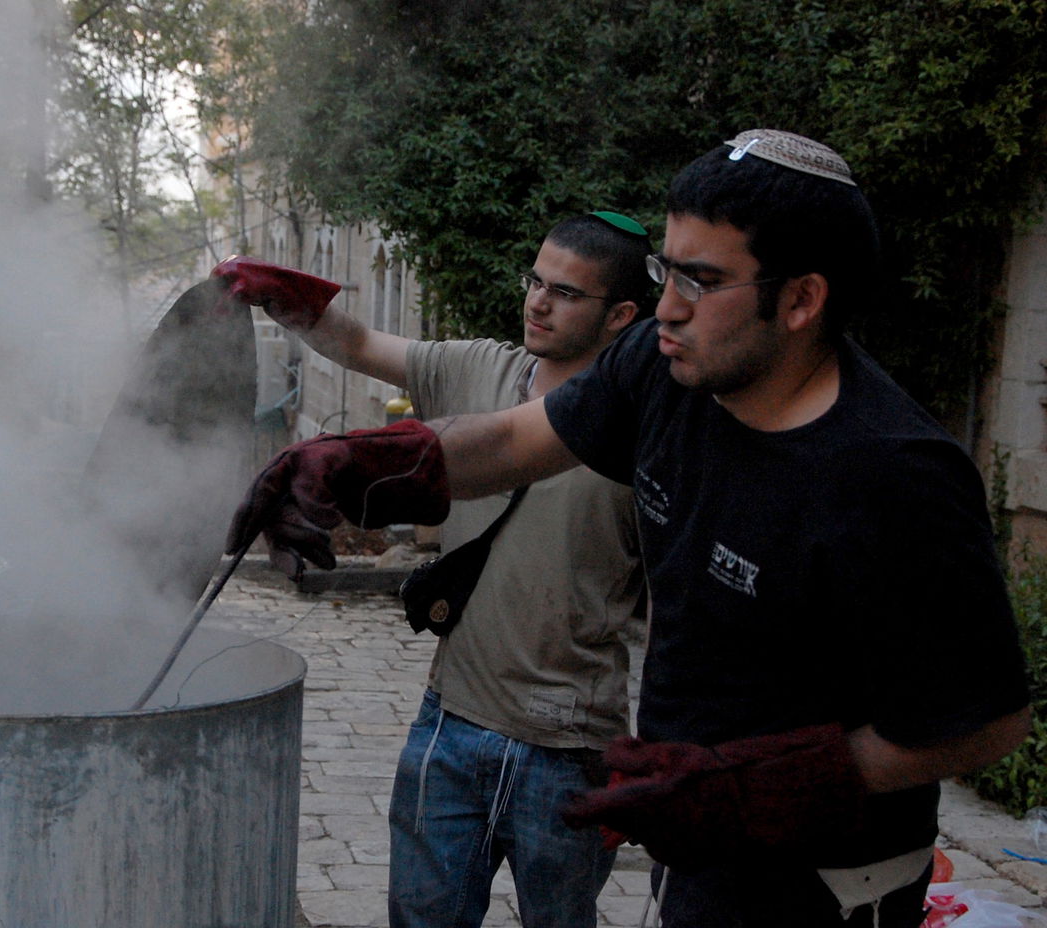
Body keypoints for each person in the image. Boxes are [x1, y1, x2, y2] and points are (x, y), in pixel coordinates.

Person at [223, 130, 1032, 927]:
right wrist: (352, 465)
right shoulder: (661, 368)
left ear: (800, 299)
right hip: (700, 853)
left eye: (704, 280)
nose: (668, 306)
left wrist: (756, 783)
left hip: (829, 884)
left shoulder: (895, 477)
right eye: (667, 270)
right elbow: (513, 440)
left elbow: (989, 723)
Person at [213, 211, 653, 928]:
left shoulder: (644, 425)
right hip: (449, 725)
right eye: (535, 281)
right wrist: (282, 298)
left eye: (566, 293)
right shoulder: (480, 368)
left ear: (621, 316)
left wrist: (655, 747)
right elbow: (356, 342)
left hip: (572, 749)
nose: (537, 302)